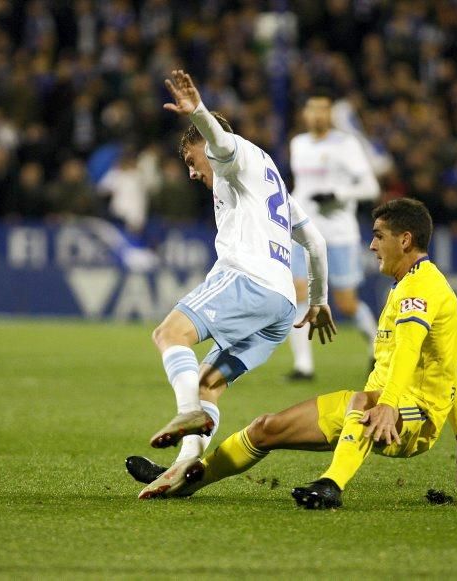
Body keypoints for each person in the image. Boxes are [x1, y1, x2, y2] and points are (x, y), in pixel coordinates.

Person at [138, 198, 457, 508]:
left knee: (361, 404)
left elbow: (409, 352)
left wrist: (389, 405)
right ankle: (184, 477)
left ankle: (331, 485)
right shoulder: (406, 284)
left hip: (415, 414)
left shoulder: (424, 288)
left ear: (404, 240)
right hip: (380, 400)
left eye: (379, 237)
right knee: (265, 428)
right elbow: (448, 368)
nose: (372, 245)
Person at [129, 70, 337, 493]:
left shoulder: (234, 157)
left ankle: (187, 411)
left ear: (204, 146)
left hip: (248, 279)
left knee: (169, 334)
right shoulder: (270, 175)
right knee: (210, 383)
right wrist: (317, 300)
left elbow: (220, 143)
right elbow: (314, 241)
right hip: (280, 306)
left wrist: (198, 111)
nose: (191, 173)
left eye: (191, 161)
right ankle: (185, 469)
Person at [286, 92, 381, 381]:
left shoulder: (346, 144)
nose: (316, 115)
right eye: (312, 109)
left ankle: (378, 349)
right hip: (303, 232)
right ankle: (304, 366)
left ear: (330, 115)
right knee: (299, 294)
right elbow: (301, 186)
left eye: (322, 110)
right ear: (305, 115)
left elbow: (371, 188)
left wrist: (338, 195)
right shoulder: (298, 144)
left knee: (346, 303)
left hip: (338, 234)